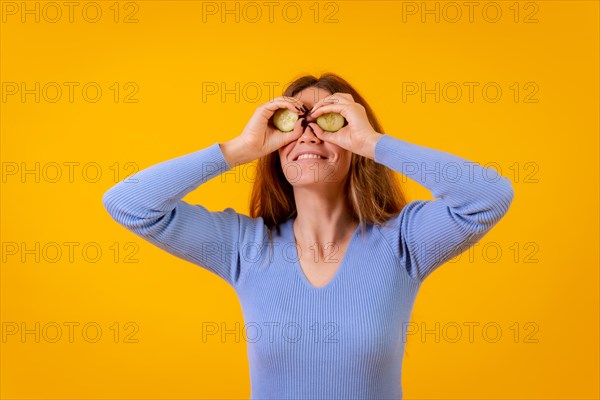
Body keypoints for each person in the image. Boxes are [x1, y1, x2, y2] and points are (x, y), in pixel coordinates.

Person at [102, 73, 515, 399]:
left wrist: (372, 142)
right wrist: (242, 147)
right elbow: (130, 204)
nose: (309, 134)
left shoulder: (403, 242)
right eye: (294, 123)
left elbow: (488, 195)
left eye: (327, 122)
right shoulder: (246, 249)